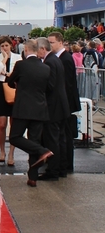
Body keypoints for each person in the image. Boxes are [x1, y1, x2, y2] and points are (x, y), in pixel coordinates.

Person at [7, 39, 54, 187]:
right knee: (33, 140)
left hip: (23, 108)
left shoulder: (21, 65)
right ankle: (33, 177)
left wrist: (18, 83)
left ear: (26, 49)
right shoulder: (45, 67)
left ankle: (43, 150)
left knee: (15, 137)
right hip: (39, 109)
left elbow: (9, 82)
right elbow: (50, 87)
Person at [36, 38, 70, 180]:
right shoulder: (56, 60)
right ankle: (62, 168)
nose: (37, 54)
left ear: (43, 49)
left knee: (52, 140)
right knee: (60, 139)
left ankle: (53, 171)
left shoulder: (49, 62)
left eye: (37, 50)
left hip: (53, 107)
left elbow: (50, 85)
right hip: (61, 106)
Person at [47, 31, 81, 174]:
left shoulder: (65, 59)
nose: (50, 45)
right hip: (63, 104)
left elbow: (67, 85)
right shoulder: (59, 58)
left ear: (60, 42)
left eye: (52, 42)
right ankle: (62, 163)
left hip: (65, 103)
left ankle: (65, 164)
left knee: (65, 135)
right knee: (62, 135)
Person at [0, 35, 21, 166]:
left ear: (11, 46)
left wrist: (11, 74)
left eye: (7, 45)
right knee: (2, 123)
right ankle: (2, 150)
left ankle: (11, 153)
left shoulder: (18, 57)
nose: (5, 48)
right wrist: (5, 59)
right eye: (2, 46)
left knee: (14, 122)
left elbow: (19, 72)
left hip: (14, 87)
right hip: (1, 88)